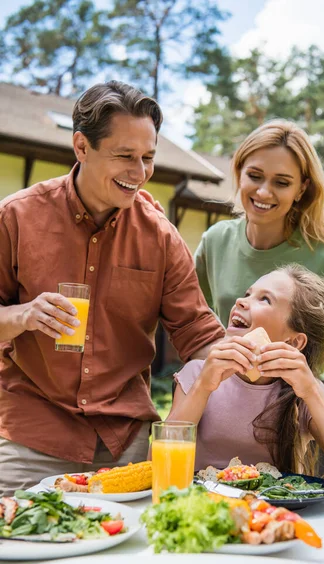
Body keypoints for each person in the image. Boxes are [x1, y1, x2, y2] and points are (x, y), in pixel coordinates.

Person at [0, 80, 225, 496]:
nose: (139, 174)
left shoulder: (160, 236)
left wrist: (248, 357)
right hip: (32, 434)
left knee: (140, 553)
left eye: (148, 158)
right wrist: (22, 314)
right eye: (125, 156)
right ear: (82, 147)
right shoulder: (16, 218)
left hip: (125, 440)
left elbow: (198, 335)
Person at [194, 119, 324, 378]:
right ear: (239, 173)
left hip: (297, 405)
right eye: (255, 176)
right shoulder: (215, 242)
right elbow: (192, 321)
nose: (263, 192)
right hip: (226, 394)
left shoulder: (322, 256)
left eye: (281, 183)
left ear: (301, 188)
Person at [168, 265, 324, 494]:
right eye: (247, 294)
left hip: (273, 517)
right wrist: (203, 387)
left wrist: (312, 391)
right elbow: (159, 469)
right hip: (203, 511)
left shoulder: (303, 391)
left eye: (265, 299)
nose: (241, 301)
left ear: (294, 342)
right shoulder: (197, 374)